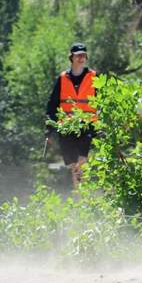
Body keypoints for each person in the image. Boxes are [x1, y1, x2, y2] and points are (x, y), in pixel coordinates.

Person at [46, 42, 97, 188]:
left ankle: (83, 194)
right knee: (74, 164)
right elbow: (52, 105)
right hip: (66, 128)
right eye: (78, 55)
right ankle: (79, 195)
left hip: (87, 126)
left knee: (82, 160)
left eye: (84, 55)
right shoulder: (62, 78)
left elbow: (103, 101)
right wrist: (49, 129)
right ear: (71, 57)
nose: (81, 58)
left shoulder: (94, 76)